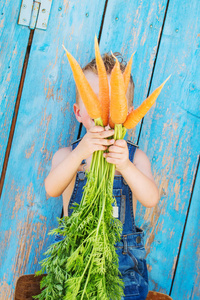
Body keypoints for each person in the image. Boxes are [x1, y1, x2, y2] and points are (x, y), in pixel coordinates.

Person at [44, 52, 160, 300]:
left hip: (121, 269)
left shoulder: (135, 158)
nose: (105, 115)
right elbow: (52, 188)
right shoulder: (68, 155)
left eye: (112, 105)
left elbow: (151, 198)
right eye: (96, 103)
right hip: (75, 263)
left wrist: (127, 167)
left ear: (127, 114)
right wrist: (80, 155)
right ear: (78, 112)